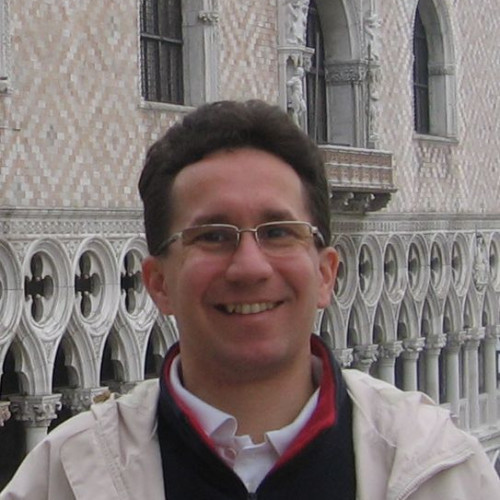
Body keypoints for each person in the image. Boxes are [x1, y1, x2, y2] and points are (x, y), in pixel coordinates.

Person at [1, 100, 499, 499]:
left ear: (325, 273)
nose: (249, 267)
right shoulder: (65, 478)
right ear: (158, 283)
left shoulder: (439, 471)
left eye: (279, 232)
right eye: (213, 236)